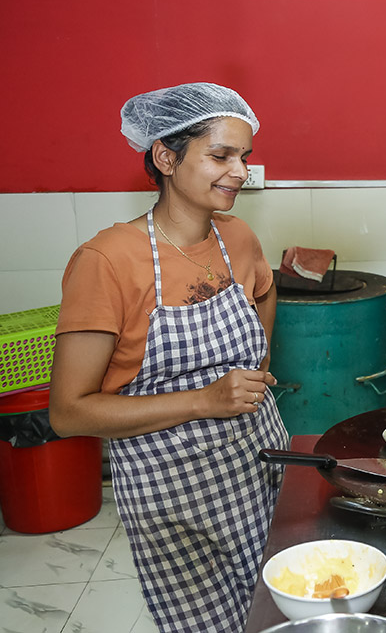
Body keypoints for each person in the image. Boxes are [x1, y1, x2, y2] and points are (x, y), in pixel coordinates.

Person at [48, 83, 288, 633]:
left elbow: (267, 291)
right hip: (174, 491)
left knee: (276, 608)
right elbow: (70, 411)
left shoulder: (239, 238)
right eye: (221, 155)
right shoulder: (107, 260)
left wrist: (258, 359)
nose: (240, 172)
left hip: (258, 459)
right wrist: (206, 400)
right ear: (166, 156)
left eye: (244, 157)